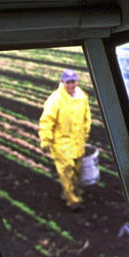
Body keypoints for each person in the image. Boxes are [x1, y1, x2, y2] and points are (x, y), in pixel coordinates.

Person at [39, 69, 92, 212]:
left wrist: (86, 133)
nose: (71, 85)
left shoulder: (82, 97)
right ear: (62, 82)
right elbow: (47, 121)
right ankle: (72, 200)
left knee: (76, 170)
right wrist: (46, 139)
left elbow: (87, 118)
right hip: (61, 143)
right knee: (66, 170)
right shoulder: (55, 100)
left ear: (77, 82)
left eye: (73, 82)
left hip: (78, 142)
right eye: (68, 82)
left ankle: (69, 191)